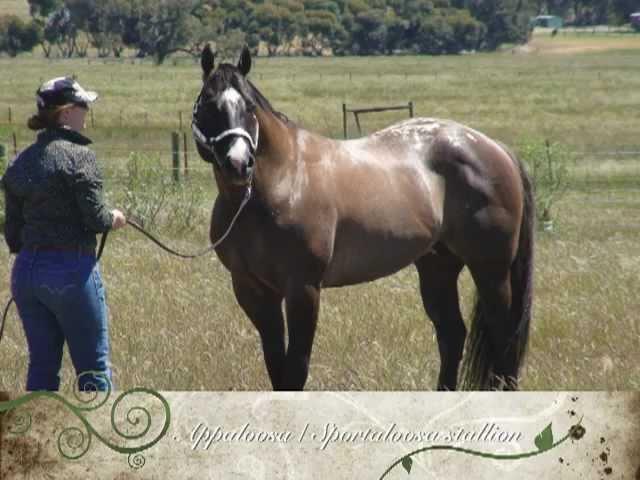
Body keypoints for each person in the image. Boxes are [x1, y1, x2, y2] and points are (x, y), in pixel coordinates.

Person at [1, 76, 126, 391]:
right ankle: (99, 439)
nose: (87, 112)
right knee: (93, 370)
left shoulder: (20, 163)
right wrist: (113, 218)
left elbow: (13, 235)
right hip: (71, 271)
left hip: (27, 274)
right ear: (67, 111)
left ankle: (35, 441)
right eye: (84, 106)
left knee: (42, 367)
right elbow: (96, 218)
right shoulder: (80, 156)